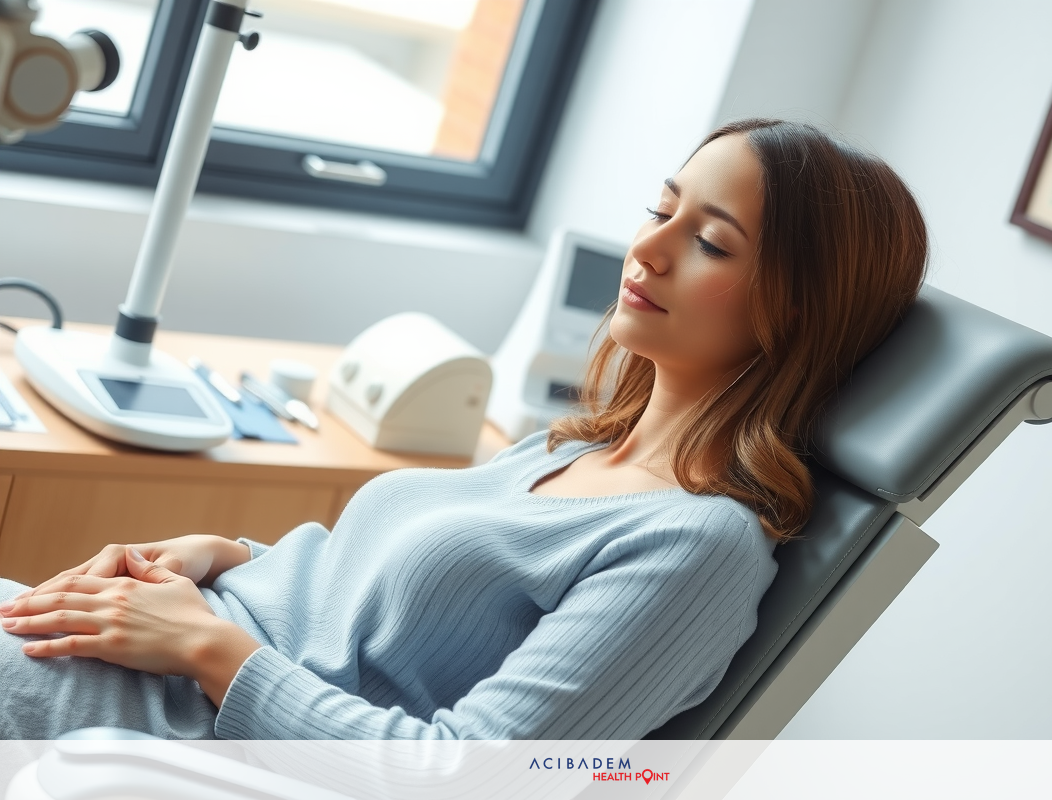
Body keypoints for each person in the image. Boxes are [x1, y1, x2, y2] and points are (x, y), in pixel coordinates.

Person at [0, 118, 928, 740]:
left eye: (712, 242)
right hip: (152, 656)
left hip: (175, 731)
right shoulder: (573, 448)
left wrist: (205, 647)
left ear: (801, 311)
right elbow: (372, 610)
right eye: (661, 209)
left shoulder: (697, 546)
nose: (647, 249)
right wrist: (224, 555)